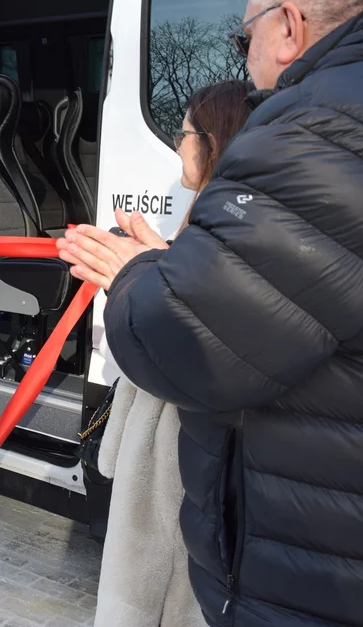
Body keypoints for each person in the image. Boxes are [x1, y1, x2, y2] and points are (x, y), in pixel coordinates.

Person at [59, 0, 363, 625]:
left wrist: (133, 275)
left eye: (241, 34)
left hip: (339, 559)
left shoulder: (335, 125)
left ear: (288, 23)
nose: (244, 58)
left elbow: (194, 348)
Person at [84, 81, 253, 627]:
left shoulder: (215, 221)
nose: (177, 145)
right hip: (170, 438)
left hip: (171, 443)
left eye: (182, 133)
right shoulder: (216, 211)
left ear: (212, 141)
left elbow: (177, 332)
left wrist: (131, 281)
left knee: (153, 585)